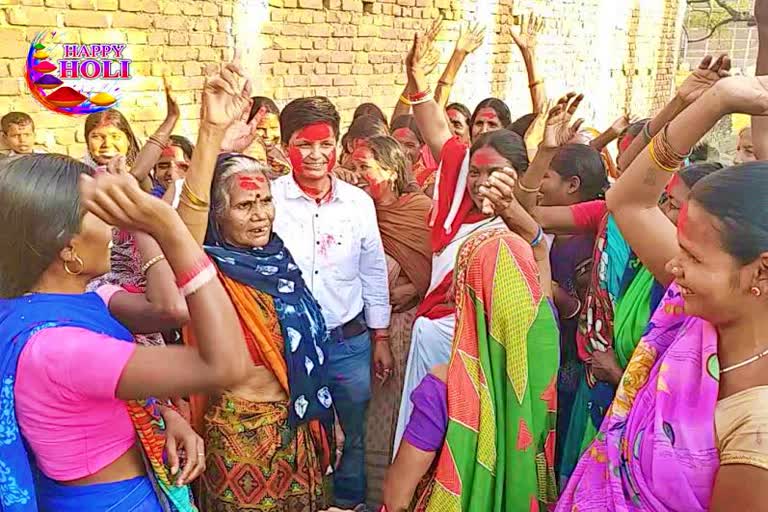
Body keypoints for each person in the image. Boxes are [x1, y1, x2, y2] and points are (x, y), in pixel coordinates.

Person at [556, 67, 768, 510]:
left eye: (693, 257)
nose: (674, 265)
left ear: (761, 274)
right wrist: (714, 103)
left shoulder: (757, 428)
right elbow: (628, 199)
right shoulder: (695, 311)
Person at [0, 151, 251, 511]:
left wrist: (164, 416)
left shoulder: (51, 310)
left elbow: (169, 311)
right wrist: (168, 226)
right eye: (101, 214)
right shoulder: (61, 347)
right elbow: (225, 365)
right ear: (67, 246)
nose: (113, 226)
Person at [177, 153, 334, 511]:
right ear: (217, 213)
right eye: (245, 205)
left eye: (265, 201)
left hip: (296, 425)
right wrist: (212, 135)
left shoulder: (279, 263)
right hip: (240, 435)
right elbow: (182, 233)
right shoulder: (207, 273)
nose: (260, 214)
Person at [384, 212, 560, 511]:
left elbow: (397, 496)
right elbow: (540, 276)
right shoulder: (546, 354)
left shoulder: (445, 387)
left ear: (466, 295)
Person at [270, 96, 393, 509]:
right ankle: (304, 500)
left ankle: (348, 501)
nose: (316, 155)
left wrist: (380, 336)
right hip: (288, 344)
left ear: (338, 145)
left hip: (349, 342)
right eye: (305, 144)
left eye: (325, 144)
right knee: (297, 429)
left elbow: (373, 270)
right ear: (286, 145)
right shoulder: (269, 202)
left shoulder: (358, 204)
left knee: (354, 430)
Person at [345, 136, 433, 506]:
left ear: (392, 170)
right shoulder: (351, 211)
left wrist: (414, 285)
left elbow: (439, 265)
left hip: (409, 328)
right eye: (353, 165)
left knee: (405, 408)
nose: (356, 174)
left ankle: (406, 494)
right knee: (370, 416)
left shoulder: (420, 210)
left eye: (365, 167)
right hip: (365, 329)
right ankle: (374, 493)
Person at [248, 96, 292, 177]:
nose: (268, 135)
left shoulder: (285, 157)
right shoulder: (241, 157)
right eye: (260, 128)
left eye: (274, 128)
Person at [391, 115, 435, 193]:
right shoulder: (378, 171)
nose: (402, 151)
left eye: (409, 145)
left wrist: (409, 178)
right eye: (396, 143)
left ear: (421, 146)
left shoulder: (430, 178)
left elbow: (426, 204)